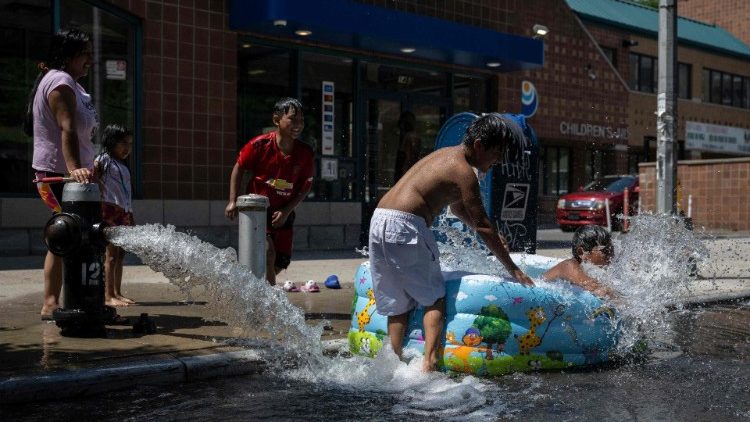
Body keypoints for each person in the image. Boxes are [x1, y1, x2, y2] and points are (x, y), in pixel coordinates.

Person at [368, 113, 534, 372]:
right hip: (407, 224)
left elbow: (458, 209)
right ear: (479, 145)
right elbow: (483, 224)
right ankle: (430, 362)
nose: (499, 160)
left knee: (397, 303)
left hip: (380, 220)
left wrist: (484, 230)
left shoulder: (446, 155)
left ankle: (392, 364)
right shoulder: (464, 172)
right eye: (497, 152)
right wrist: (512, 268)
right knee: (434, 298)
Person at [26, 28, 98, 320]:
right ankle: (50, 302)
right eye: (85, 54)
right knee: (63, 234)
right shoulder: (60, 81)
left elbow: (81, 132)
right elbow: (66, 127)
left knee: (72, 236)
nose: (90, 60)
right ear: (68, 56)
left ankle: (68, 297)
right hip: (58, 174)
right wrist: (74, 170)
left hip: (73, 175)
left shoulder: (74, 85)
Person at [225, 98, 314, 286]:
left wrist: (287, 211)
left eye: (301, 120)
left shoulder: (305, 153)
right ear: (276, 120)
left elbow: (305, 187)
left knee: (279, 262)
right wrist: (233, 200)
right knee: (267, 252)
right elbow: (239, 168)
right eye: (292, 119)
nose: (298, 125)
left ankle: (255, 289)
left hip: (284, 211)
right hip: (257, 211)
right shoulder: (259, 145)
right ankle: (272, 305)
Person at [94, 124, 135, 307]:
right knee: (110, 255)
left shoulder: (123, 166)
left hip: (123, 212)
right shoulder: (103, 161)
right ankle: (107, 295)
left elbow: (126, 194)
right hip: (109, 211)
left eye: (130, 144)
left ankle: (117, 292)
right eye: (123, 143)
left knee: (120, 254)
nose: (127, 148)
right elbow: (93, 181)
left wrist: (130, 215)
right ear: (111, 142)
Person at [542, 225, 617, 299]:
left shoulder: (592, 270)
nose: (611, 254)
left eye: (612, 249)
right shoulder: (568, 265)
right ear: (581, 252)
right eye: (605, 250)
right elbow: (594, 287)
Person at [394, 111, 421, 183]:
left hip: (406, 177)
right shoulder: (412, 136)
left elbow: (408, 159)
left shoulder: (410, 137)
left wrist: (403, 180)